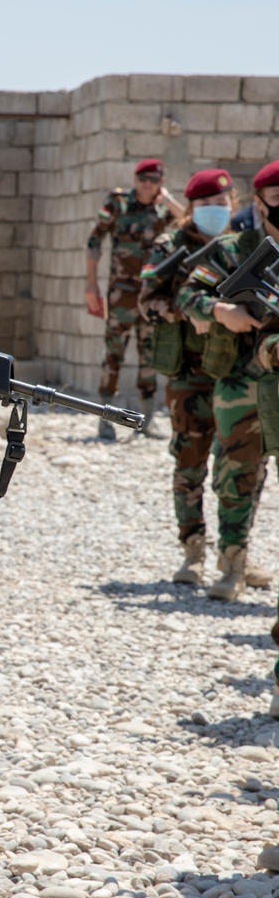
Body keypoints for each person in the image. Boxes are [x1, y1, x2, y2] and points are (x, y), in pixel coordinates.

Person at [176, 160, 279, 606]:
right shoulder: (235, 249)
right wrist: (222, 312)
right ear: (259, 201)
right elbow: (188, 294)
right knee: (238, 473)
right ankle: (232, 562)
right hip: (242, 382)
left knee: (255, 477)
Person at [139, 170, 234, 585]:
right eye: (207, 205)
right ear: (191, 208)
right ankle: (193, 550)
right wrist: (189, 311)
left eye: (223, 203)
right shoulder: (170, 246)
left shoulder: (243, 246)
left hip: (237, 370)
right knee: (190, 462)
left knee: (240, 467)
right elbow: (147, 303)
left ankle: (235, 555)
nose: (216, 211)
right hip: (190, 373)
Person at [87, 158, 183, 439]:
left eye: (154, 180)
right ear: (135, 179)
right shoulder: (118, 203)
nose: (147, 185)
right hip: (121, 295)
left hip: (152, 295)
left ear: (160, 184)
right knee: (113, 355)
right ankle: (104, 419)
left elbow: (190, 222)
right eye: (143, 179)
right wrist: (90, 283)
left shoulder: (164, 209)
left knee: (150, 357)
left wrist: (169, 200)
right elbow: (94, 240)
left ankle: (147, 420)